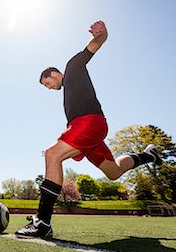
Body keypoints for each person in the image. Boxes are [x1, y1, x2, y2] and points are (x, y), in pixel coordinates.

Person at [15, 20, 162, 239]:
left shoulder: (72, 67)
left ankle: (43, 222)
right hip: (90, 129)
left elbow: (93, 47)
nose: (50, 88)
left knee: (52, 155)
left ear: (54, 74)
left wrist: (101, 34)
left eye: (48, 84)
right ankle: (147, 155)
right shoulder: (69, 91)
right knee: (113, 172)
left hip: (89, 123)